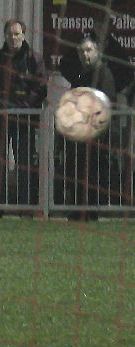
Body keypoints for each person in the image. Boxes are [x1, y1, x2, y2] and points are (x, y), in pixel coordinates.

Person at [0, 18, 48, 213]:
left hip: (25, 122)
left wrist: (20, 107)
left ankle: (27, 208)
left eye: (16, 34)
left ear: (23, 35)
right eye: (9, 34)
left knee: (25, 166)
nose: (13, 38)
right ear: (5, 36)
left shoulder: (34, 59)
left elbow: (40, 88)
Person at [57, 34, 117, 220]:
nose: (85, 54)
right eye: (82, 51)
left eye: (89, 50)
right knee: (78, 172)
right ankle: (79, 209)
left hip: (97, 135)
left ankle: (90, 211)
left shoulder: (103, 74)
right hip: (82, 134)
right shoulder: (81, 74)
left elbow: (103, 104)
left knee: (92, 173)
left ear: (97, 51)